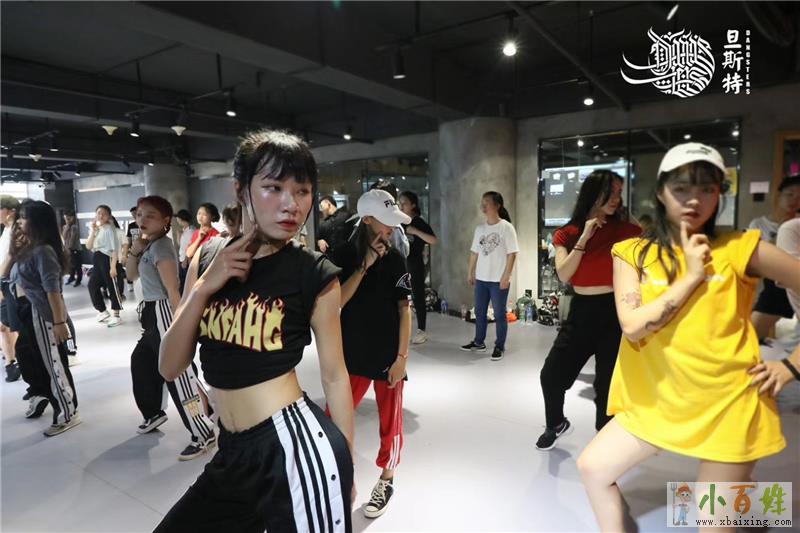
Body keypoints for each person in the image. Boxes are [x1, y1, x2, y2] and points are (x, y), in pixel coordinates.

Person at [577, 143, 798, 532]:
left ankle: (744, 507)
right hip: (658, 400)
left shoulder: (741, 249)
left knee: (711, 518)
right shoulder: (632, 253)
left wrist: (792, 366)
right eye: (681, 188)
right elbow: (633, 325)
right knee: (593, 468)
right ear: (661, 192)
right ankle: (746, 506)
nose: (694, 199)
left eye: (707, 188)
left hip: (728, 403)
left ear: (719, 194)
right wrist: (692, 276)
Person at [155, 129, 354, 532]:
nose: (291, 204)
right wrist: (204, 286)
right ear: (241, 190)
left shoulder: (313, 272)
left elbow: (334, 376)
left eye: (302, 191)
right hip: (231, 451)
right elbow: (169, 366)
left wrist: (346, 466)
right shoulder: (209, 257)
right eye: (273, 188)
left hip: (297, 451)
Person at [535, 171, 641, 451]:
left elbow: (646, 242)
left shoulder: (625, 230)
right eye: (611, 192)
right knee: (551, 375)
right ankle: (556, 423)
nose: (616, 198)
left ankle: (605, 441)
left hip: (614, 312)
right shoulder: (568, 233)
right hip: (580, 311)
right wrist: (585, 236)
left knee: (607, 386)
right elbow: (564, 274)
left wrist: (628, 217)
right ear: (593, 194)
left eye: (619, 193)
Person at [125, 197, 216, 459]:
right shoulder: (148, 245)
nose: (142, 220)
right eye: (139, 214)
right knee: (141, 361)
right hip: (151, 313)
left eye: (150, 215)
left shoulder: (162, 247)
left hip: (164, 311)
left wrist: (181, 323)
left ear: (165, 220)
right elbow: (130, 275)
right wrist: (135, 250)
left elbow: (173, 289)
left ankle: (203, 431)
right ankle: (154, 412)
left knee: (180, 375)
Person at [4, 201, 81, 436]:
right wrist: (14, 249)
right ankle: (48, 399)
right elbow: (5, 273)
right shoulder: (28, 248)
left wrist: (59, 323)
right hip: (26, 312)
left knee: (53, 364)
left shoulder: (44, 251)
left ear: (38, 222)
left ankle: (68, 412)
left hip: (42, 314)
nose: (19, 222)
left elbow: (53, 291)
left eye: (24, 217)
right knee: (33, 359)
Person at [461, 191, 518, 361]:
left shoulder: (506, 227)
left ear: (497, 205)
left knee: (500, 314)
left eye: (487, 202)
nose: (483, 206)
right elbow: (474, 253)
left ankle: (499, 345)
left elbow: (512, 253)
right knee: (479, 312)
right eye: (482, 203)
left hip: (498, 279)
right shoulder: (480, 229)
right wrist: (470, 272)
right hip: (482, 278)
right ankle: (479, 342)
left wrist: (506, 276)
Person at [748, 175, 800, 339]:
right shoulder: (758, 224)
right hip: (775, 286)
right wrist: (783, 230)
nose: (794, 201)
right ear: (778, 196)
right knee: (753, 332)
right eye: (790, 194)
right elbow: (756, 256)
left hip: (797, 282)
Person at [398, 191, 437, 345]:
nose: (401, 206)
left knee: (418, 296)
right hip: (400, 263)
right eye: (400, 203)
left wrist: (415, 232)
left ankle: (422, 330)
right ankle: (400, 329)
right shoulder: (398, 221)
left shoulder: (418, 222)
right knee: (400, 296)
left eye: (404, 203)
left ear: (413, 205)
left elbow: (433, 240)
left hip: (415, 264)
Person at [86, 205, 122, 327]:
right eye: (98, 213)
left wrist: (113, 267)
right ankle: (102, 311)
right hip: (97, 259)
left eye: (104, 213)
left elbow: (115, 249)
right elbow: (89, 246)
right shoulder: (96, 229)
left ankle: (116, 315)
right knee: (92, 285)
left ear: (109, 216)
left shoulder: (110, 229)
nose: (100, 215)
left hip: (108, 259)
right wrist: (93, 231)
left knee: (112, 287)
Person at [1, 196, 22, 382]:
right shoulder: (6, 230)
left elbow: (11, 258)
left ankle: (20, 359)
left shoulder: (17, 231)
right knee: (4, 325)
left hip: (10, 283)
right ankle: (11, 362)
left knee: (15, 325)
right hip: (4, 282)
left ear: (10, 211)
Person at [317, 195, 351, 261]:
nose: (321, 210)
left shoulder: (346, 216)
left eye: (321, 206)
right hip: (330, 260)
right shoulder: (322, 223)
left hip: (348, 258)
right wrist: (319, 241)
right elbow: (318, 237)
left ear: (328, 203)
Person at [175, 209, 196, 293]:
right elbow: (181, 246)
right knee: (182, 283)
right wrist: (179, 236)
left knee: (186, 284)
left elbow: (190, 247)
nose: (177, 220)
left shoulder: (191, 231)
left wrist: (185, 260)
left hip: (186, 261)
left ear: (181, 219)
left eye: (177, 218)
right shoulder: (185, 230)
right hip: (182, 259)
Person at [61, 211, 83, 287]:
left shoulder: (74, 227)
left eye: (68, 218)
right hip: (68, 249)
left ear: (72, 218)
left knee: (77, 265)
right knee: (71, 265)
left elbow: (73, 239)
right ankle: (72, 277)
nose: (66, 220)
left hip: (76, 249)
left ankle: (79, 280)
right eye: (65, 218)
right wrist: (67, 227)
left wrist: (68, 248)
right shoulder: (65, 227)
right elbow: (63, 237)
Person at [122, 206, 140, 294]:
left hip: (143, 250)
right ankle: (130, 284)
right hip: (133, 250)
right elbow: (129, 239)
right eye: (132, 214)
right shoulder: (131, 225)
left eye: (135, 213)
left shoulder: (145, 224)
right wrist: (126, 252)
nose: (134, 215)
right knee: (130, 267)